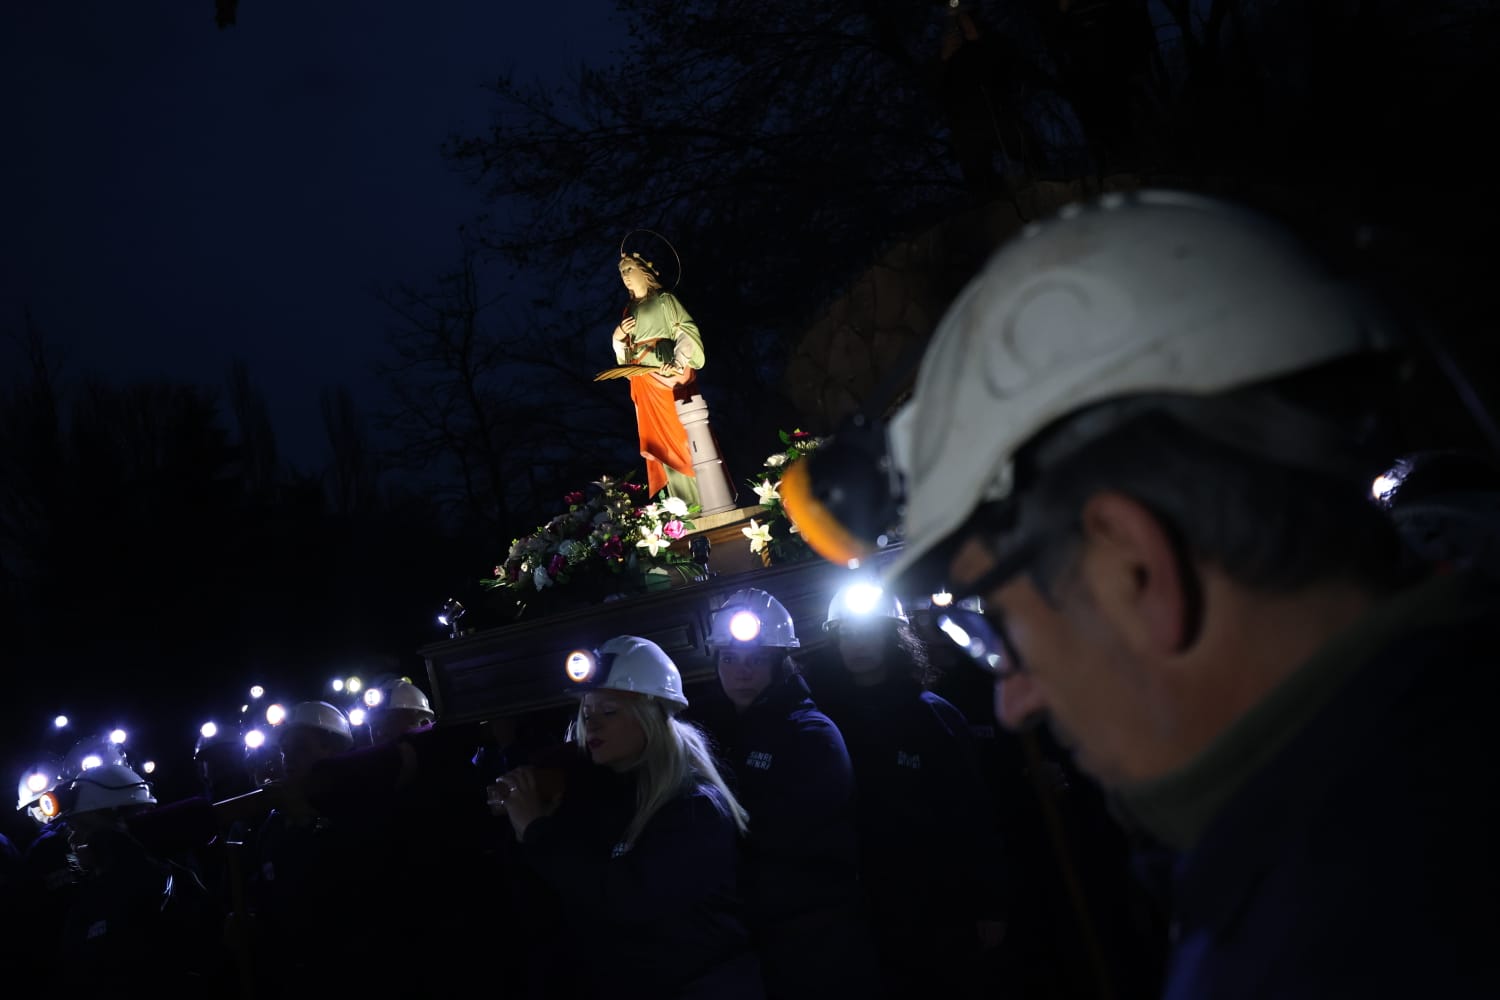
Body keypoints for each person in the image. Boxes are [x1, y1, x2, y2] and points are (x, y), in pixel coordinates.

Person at [788, 189, 1500, 997]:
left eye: (997, 627)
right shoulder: (1415, 817)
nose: (1013, 700)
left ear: (1136, 567)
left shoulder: (1319, 947)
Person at [494, 635, 763, 999]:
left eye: (609, 711)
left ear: (650, 715)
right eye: (587, 714)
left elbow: (624, 900)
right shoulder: (604, 794)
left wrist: (538, 831)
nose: (593, 726)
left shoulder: (695, 807)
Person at [810, 579, 1009, 999]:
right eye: (847, 634)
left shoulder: (934, 717)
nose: (856, 644)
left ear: (890, 637)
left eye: (866, 633)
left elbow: (973, 812)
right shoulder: (829, 721)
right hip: (870, 905)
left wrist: (988, 904)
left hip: (940, 901)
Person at [692, 587, 880, 999]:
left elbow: (789, 835)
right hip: (753, 935)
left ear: (780, 664)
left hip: (816, 934)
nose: (741, 672)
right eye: (729, 659)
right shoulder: (715, 729)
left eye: (757, 660)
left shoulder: (812, 735)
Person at [612, 250, 708, 507]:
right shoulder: (629, 309)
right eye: (621, 272)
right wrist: (618, 336)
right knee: (657, 444)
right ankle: (675, 505)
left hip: (666, 376)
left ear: (644, 271)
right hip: (643, 382)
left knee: (679, 435)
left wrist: (678, 360)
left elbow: (686, 331)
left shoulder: (665, 301)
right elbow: (625, 355)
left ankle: (699, 496)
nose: (625, 277)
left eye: (628, 269)